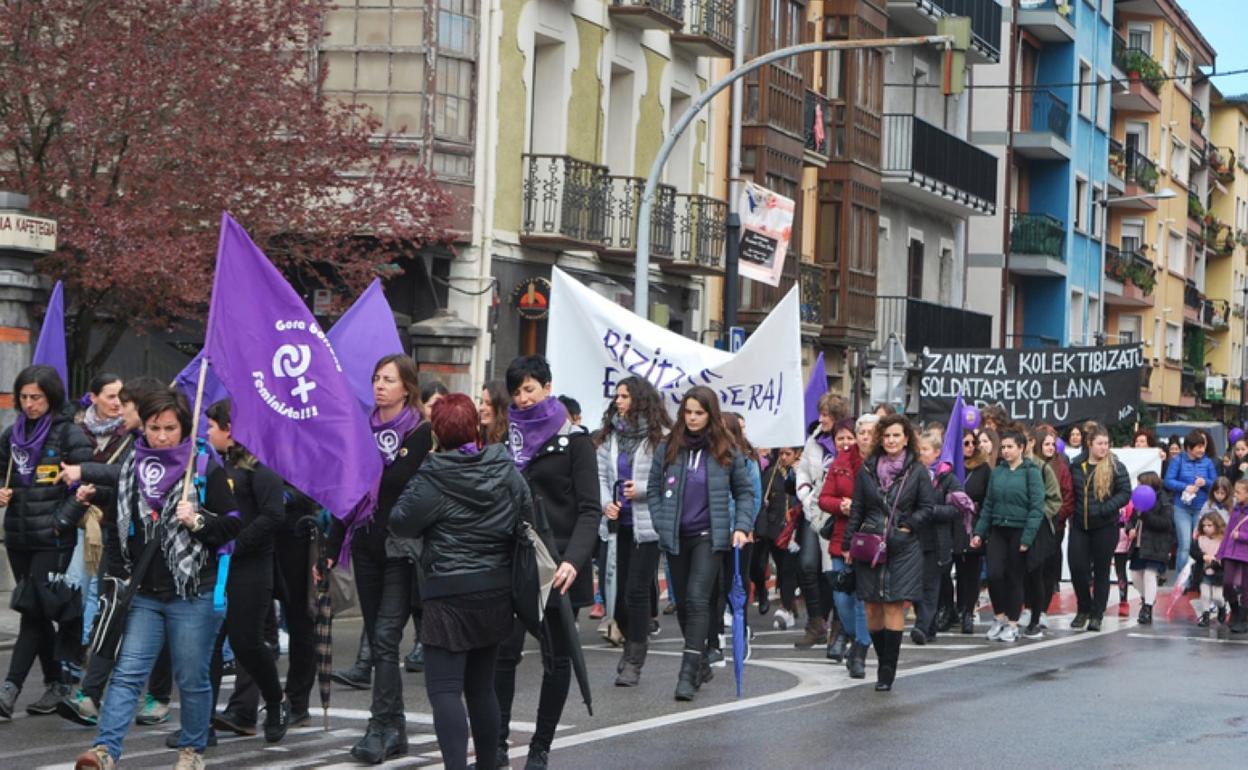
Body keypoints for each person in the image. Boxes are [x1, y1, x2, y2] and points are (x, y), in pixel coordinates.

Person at [73, 388, 241, 770]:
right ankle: (105, 750)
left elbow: (232, 524)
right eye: (154, 427)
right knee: (128, 673)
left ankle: (192, 751)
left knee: (191, 677)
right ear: (142, 426)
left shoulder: (202, 466)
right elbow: (123, 522)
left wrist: (196, 520)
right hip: (145, 591)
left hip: (192, 593)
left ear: (184, 427)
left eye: (170, 428)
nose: (162, 436)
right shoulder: (133, 462)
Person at [389, 393, 528, 770]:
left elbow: (400, 521)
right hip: (496, 589)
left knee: (445, 690)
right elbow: (526, 515)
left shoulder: (432, 476)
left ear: (436, 433)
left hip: (448, 591)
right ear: (474, 428)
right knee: (482, 689)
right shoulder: (504, 468)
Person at [326, 354, 434, 764]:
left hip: (401, 552)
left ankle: (380, 726)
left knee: (386, 638)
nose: (380, 386)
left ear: (407, 387)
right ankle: (395, 727)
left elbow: (411, 488)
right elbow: (347, 492)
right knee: (378, 639)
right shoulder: (361, 430)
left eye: (388, 380)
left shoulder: (421, 433)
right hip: (366, 547)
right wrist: (333, 547)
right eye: (375, 379)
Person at [495, 355, 600, 769]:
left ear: (548, 387)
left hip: (557, 566)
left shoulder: (576, 442)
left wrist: (573, 561)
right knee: (503, 655)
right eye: (516, 391)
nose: (522, 398)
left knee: (557, 659)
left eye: (529, 389)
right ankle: (498, 746)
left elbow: (590, 510)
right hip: (513, 559)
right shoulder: (506, 443)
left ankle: (539, 748)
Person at [57, 376, 174, 728]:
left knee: (162, 620)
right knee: (107, 615)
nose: (120, 409)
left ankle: (159, 695)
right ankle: (90, 694)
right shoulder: (128, 439)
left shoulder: (162, 445)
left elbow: (132, 475)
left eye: (126, 404)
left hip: (156, 547)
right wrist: (97, 495)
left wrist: (85, 471)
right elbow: (124, 489)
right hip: (119, 541)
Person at [647, 386, 754, 702]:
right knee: (683, 604)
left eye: (699, 412)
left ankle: (687, 672)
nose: (692, 418)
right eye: (688, 412)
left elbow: (745, 492)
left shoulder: (727, 450)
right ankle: (703, 655)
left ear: (710, 415)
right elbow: (653, 489)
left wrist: (742, 526)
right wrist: (660, 520)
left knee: (696, 597)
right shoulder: (668, 447)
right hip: (676, 537)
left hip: (710, 536)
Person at [0, 365, 94, 720]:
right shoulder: (12, 435)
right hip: (19, 535)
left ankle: (10, 688)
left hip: (52, 537)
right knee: (35, 610)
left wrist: (61, 521)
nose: (29, 404)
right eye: (23, 397)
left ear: (50, 396)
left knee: (32, 609)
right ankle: (56, 682)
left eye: (35, 397)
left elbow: (87, 484)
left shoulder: (69, 434)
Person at [203, 399, 290, 742]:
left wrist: (236, 545)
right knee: (207, 645)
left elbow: (273, 515)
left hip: (250, 569)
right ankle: (202, 723)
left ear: (231, 429)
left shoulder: (261, 467)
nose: (207, 432)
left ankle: (275, 700)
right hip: (215, 568)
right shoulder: (213, 467)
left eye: (212, 426)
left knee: (247, 643)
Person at [842, 414, 933, 692]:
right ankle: (883, 659)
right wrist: (848, 544)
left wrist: (907, 526)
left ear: (906, 438)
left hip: (902, 546)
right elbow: (857, 508)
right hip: (869, 544)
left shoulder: (916, 470)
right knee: (871, 604)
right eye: (887, 435)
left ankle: (887, 670)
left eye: (897, 435)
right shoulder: (867, 469)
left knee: (894, 603)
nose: (891, 440)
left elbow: (927, 507)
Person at [595, 376, 670, 687]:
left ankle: (634, 658)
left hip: (647, 526)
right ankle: (631, 638)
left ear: (639, 399)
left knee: (636, 591)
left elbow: (668, 481)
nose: (619, 401)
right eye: (617, 396)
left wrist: (639, 489)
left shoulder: (660, 438)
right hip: (616, 526)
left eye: (625, 396)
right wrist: (605, 503)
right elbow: (599, 475)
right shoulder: (609, 436)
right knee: (618, 599)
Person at [971, 427, 1044, 644]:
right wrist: (979, 532)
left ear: (1021, 448)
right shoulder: (998, 472)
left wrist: (1027, 538)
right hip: (997, 530)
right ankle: (999, 617)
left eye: (1010, 447)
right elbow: (989, 505)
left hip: (1019, 530)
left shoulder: (1031, 472)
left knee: (1014, 577)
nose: (1006, 451)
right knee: (994, 574)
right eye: (1003, 447)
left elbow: (1036, 507)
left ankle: (1012, 623)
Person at [817, 417, 872, 677]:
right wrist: (842, 505)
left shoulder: (881, 462)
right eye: (860, 432)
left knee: (863, 598)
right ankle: (851, 636)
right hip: (841, 535)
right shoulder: (840, 461)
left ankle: (860, 649)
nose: (863, 437)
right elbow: (824, 499)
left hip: (870, 537)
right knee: (841, 597)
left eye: (868, 432)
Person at [793, 393, 847, 650]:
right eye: (821, 414)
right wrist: (804, 493)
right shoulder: (814, 440)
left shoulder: (846, 442)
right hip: (812, 509)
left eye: (826, 415)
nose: (821, 419)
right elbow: (802, 469)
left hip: (836, 513)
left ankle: (838, 623)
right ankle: (816, 622)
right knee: (806, 565)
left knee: (832, 571)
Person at [1068, 425, 1132, 632]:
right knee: (1078, 568)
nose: (1104, 447)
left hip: (1105, 526)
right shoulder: (1077, 465)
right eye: (1100, 443)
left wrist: (1107, 508)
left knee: (1102, 571)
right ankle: (1083, 608)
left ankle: (1097, 613)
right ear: (1090, 444)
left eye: (1106, 443)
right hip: (1079, 524)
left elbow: (1125, 492)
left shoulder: (1115, 466)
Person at [912, 430, 962, 645]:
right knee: (914, 585)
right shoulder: (912, 473)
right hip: (914, 537)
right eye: (919, 449)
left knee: (930, 586)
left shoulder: (947, 478)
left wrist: (932, 510)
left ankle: (922, 626)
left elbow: (957, 508)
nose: (921, 454)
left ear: (937, 453)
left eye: (925, 450)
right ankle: (928, 627)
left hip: (936, 540)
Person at [1028, 425, 1071, 636]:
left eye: (1053, 444)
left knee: (1046, 570)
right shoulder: (1028, 465)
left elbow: (1066, 498)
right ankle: (1030, 608)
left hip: (1053, 526)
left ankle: (1042, 610)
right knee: (1030, 570)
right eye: (1046, 444)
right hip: (1029, 526)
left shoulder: (1060, 467)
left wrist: (1051, 518)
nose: (1051, 448)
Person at [752, 447, 799, 620]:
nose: (784, 457)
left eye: (788, 454)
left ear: (797, 454)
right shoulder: (771, 474)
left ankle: (787, 606)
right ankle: (782, 600)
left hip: (795, 530)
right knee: (771, 566)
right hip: (774, 531)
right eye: (782, 454)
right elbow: (762, 499)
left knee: (789, 570)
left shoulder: (800, 472)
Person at [954, 429, 994, 634]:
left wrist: (981, 527)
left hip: (973, 523)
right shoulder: (949, 465)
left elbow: (989, 499)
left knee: (970, 571)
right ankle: (951, 609)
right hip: (951, 523)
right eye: (965, 443)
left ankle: (968, 612)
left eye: (972, 443)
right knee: (949, 571)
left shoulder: (983, 468)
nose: (969, 447)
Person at [1164, 429, 1218, 577]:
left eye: (1203, 446)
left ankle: (1196, 578)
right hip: (1182, 508)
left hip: (1202, 510)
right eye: (1198, 447)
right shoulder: (1177, 460)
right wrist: (1184, 487)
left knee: (1197, 545)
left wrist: (1205, 482)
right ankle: (1181, 580)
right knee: (1185, 545)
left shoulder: (1207, 462)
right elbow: (1168, 481)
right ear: (1189, 448)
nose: (1202, 450)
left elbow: (1216, 484)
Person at [1127, 472, 1173, 626]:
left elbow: (1165, 524)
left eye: (1141, 483)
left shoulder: (1163, 501)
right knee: (1135, 575)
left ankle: (1147, 608)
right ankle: (1147, 598)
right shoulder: (1139, 499)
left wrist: (1146, 515)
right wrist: (1130, 529)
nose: (1138, 487)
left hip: (1156, 544)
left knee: (1149, 574)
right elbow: (1131, 519)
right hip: (1139, 544)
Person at [1218, 480, 1248, 633]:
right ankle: (1235, 610)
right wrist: (1220, 553)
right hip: (1231, 552)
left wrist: (1241, 535)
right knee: (1227, 583)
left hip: (1245, 554)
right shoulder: (1235, 510)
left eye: (1238, 492)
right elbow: (1228, 533)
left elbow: (1237, 534)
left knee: (1246, 587)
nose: (1235, 495)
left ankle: (1244, 618)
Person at [1191, 513, 1226, 627]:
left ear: (1217, 525)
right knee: (1205, 595)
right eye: (1204, 525)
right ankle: (1205, 615)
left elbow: (1226, 557)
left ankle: (1222, 607)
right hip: (1203, 572)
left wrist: (1216, 562)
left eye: (1209, 525)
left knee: (1218, 597)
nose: (1206, 528)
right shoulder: (1200, 538)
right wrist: (1202, 556)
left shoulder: (1223, 540)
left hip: (1219, 573)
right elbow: (1193, 551)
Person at [478, 380, 510, 447]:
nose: (481, 408)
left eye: (488, 403)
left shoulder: (510, 443)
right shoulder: (480, 438)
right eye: (481, 402)